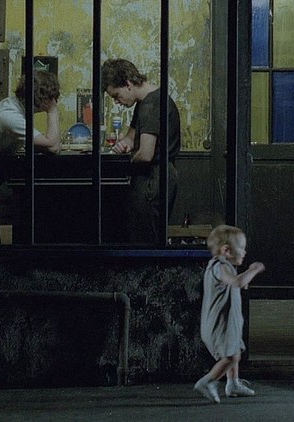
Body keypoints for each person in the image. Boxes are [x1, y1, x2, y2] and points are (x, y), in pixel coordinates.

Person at [101, 58, 181, 243]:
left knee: (145, 240)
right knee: (148, 237)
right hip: (160, 176)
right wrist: (125, 144)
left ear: (128, 84)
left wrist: (127, 163)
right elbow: (130, 138)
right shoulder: (146, 102)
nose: (117, 102)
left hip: (152, 179)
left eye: (116, 95)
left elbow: (145, 154)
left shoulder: (151, 106)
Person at [194, 225, 266, 403]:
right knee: (231, 356)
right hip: (220, 324)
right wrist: (254, 269)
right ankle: (208, 381)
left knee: (235, 351)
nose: (244, 252)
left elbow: (233, 284)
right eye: (241, 247)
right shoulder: (219, 266)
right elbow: (236, 282)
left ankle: (233, 383)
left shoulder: (225, 267)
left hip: (227, 323)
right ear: (226, 250)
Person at [0, 69, 62, 189]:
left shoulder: (14, 105)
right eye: (52, 98)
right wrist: (53, 111)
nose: (54, 101)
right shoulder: (10, 116)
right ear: (42, 98)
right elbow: (52, 145)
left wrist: (47, 144)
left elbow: (49, 145)